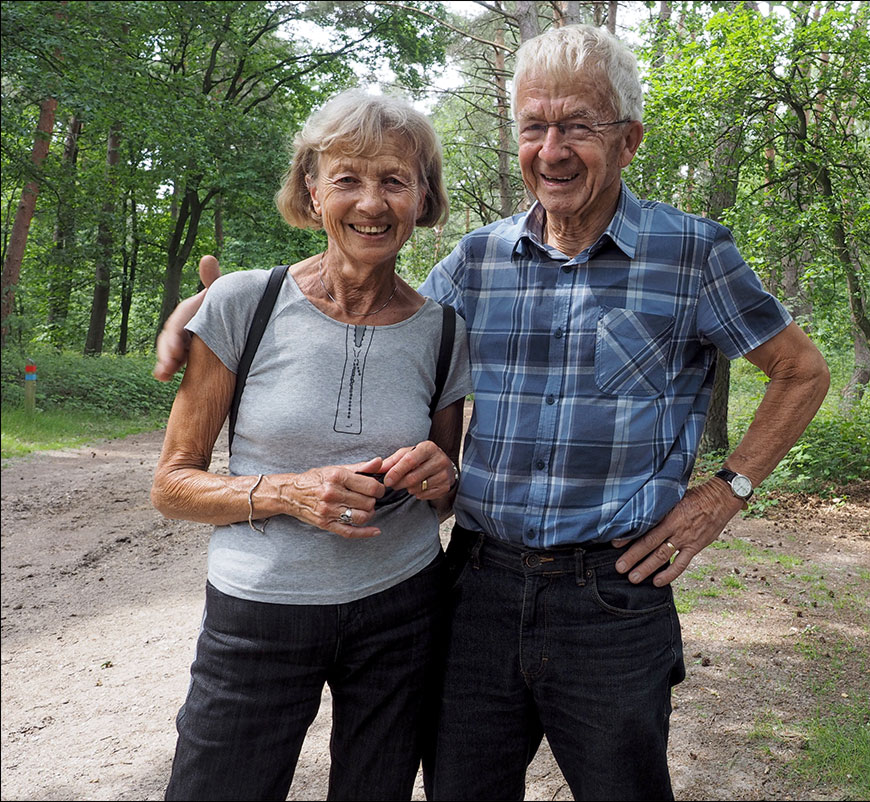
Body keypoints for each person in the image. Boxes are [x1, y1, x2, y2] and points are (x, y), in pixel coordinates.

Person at [157, 25, 830, 801]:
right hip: (476, 588)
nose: (552, 149)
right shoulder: (477, 262)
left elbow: (801, 372)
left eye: (578, 125)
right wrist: (214, 307)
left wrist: (725, 493)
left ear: (629, 140)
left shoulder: (693, 255)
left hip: (613, 594)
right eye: (534, 127)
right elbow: (368, 304)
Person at [150, 88, 471, 801]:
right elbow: (171, 485)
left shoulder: (444, 330)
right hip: (258, 614)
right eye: (348, 178)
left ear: (423, 198)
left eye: (394, 180)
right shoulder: (242, 303)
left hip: (403, 610)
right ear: (311, 188)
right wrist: (282, 492)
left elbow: (447, 496)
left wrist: (439, 475)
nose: (372, 203)